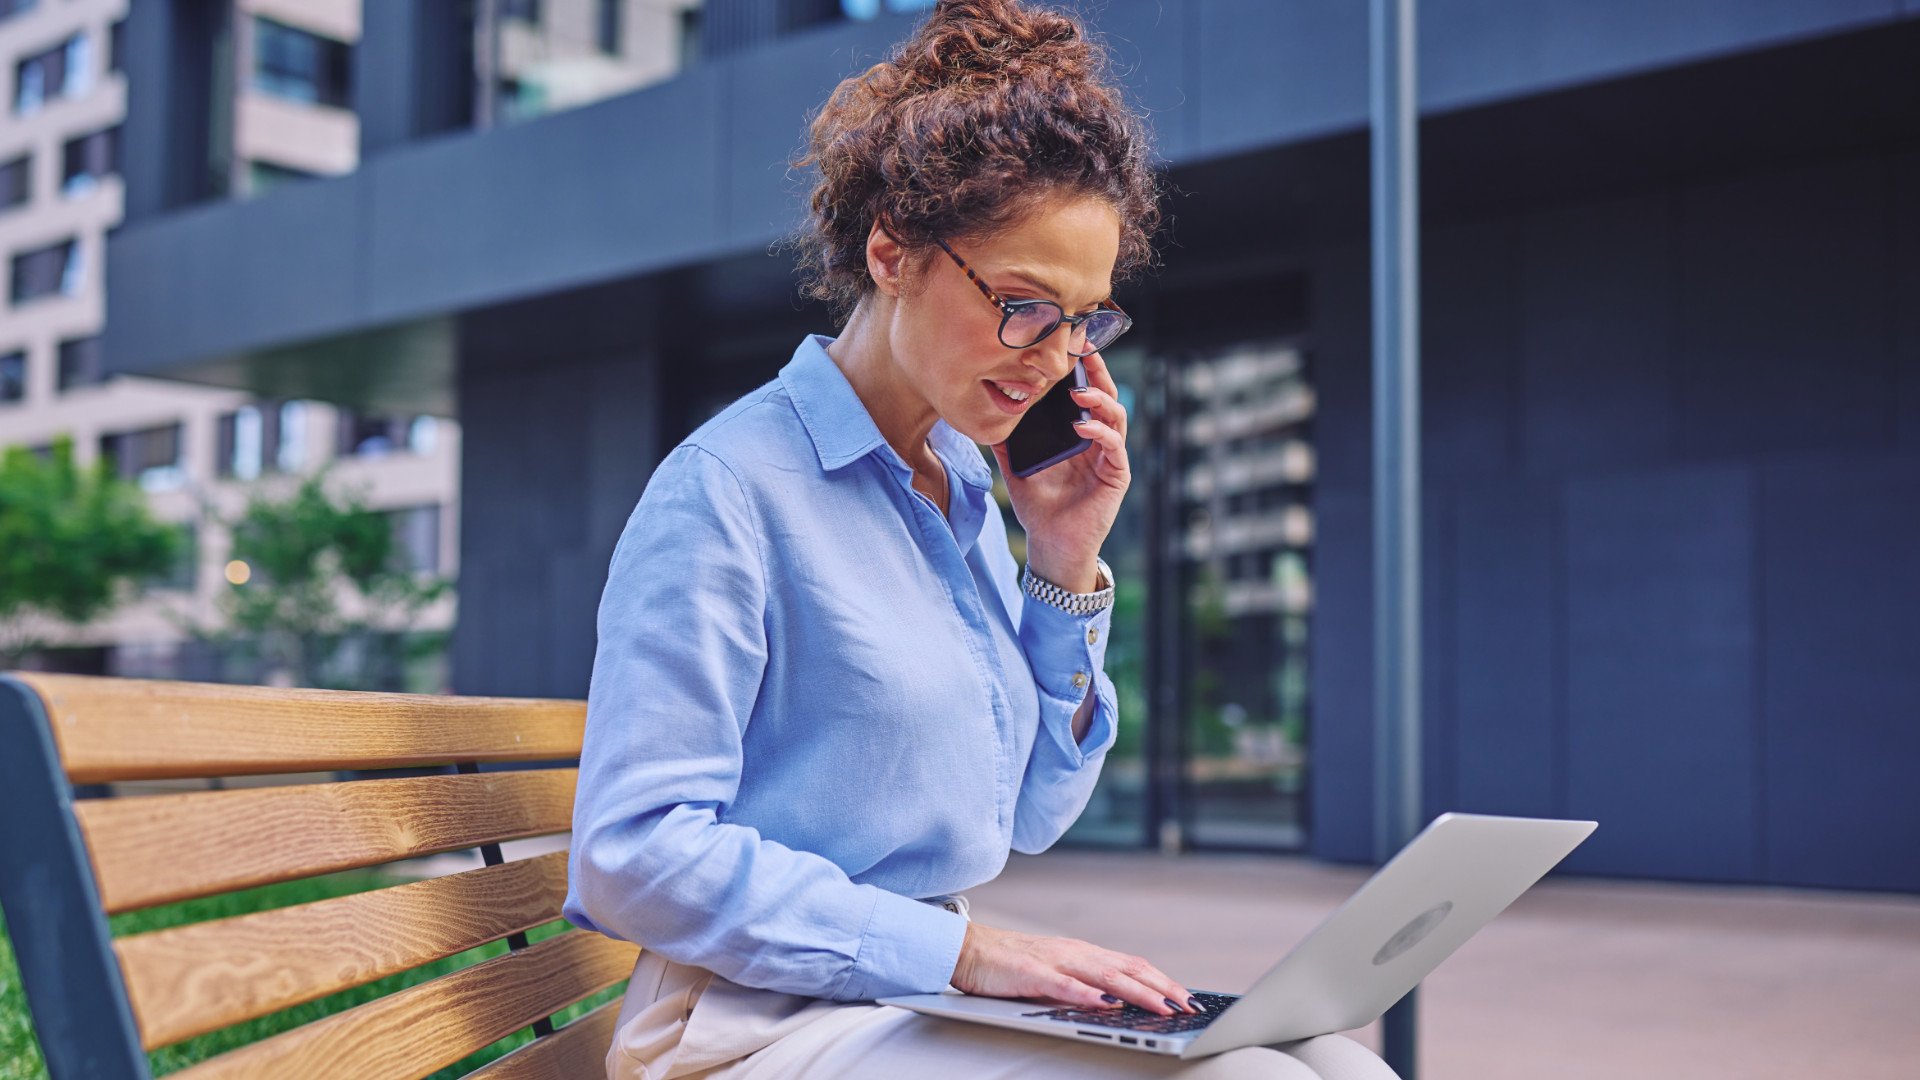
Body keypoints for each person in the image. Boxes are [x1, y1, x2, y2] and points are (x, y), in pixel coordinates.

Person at [563, 2, 1403, 1077]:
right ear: (892, 251)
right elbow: (632, 855)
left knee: (1336, 1062)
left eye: (1084, 320)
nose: (1053, 358)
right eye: (1023, 304)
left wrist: (1062, 560)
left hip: (906, 998)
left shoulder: (963, 487)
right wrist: (963, 954)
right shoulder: (726, 490)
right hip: (747, 1023)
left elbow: (1033, 811)